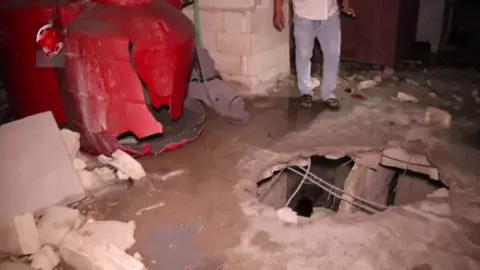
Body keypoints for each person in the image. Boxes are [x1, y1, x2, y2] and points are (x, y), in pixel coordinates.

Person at [273, 0, 355, 109]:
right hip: (304, 14)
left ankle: (328, 94)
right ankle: (305, 91)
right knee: (303, 54)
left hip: (330, 14)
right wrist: (278, 10)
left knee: (333, 54)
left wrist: (346, 4)